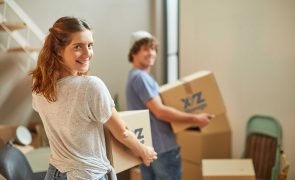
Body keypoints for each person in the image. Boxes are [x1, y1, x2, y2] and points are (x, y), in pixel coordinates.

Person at [30, 17, 157, 180]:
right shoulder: (90, 86)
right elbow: (123, 132)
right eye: (78, 47)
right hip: (86, 175)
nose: (87, 53)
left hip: (54, 173)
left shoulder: (40, 84)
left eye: (90, 45)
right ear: (58, 50)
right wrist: (143, 151)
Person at [126, 31, 214, 180]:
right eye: (146, 49)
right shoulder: (140, 77)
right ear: (134, 52)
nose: (151, 53)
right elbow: (160, 111)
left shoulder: (134, 76)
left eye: (153, 49)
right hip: (162, 148)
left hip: (148, 148)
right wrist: (195, 119)